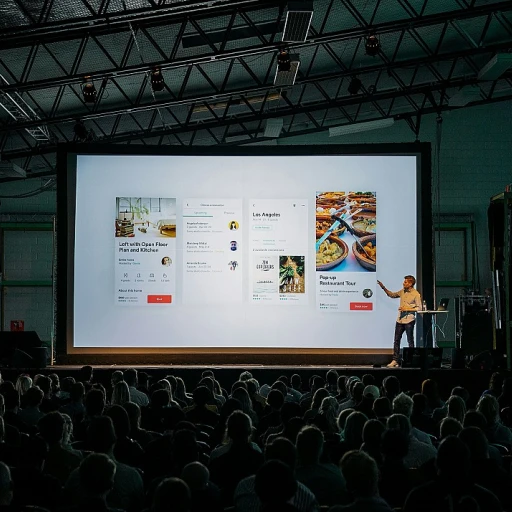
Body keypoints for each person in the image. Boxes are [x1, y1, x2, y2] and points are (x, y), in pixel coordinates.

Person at [377, 275, 422, 368]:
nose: (403, 283)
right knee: (396, 341)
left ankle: (410, 360)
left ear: (410, 283)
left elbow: (419, 308)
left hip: (409, 320)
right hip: (400, 320)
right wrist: (383, 287)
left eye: (405, 282)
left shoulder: (416, 294)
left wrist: (407, 308)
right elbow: (392, 295)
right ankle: (395, 360)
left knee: (410, 341)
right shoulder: (402, 292)